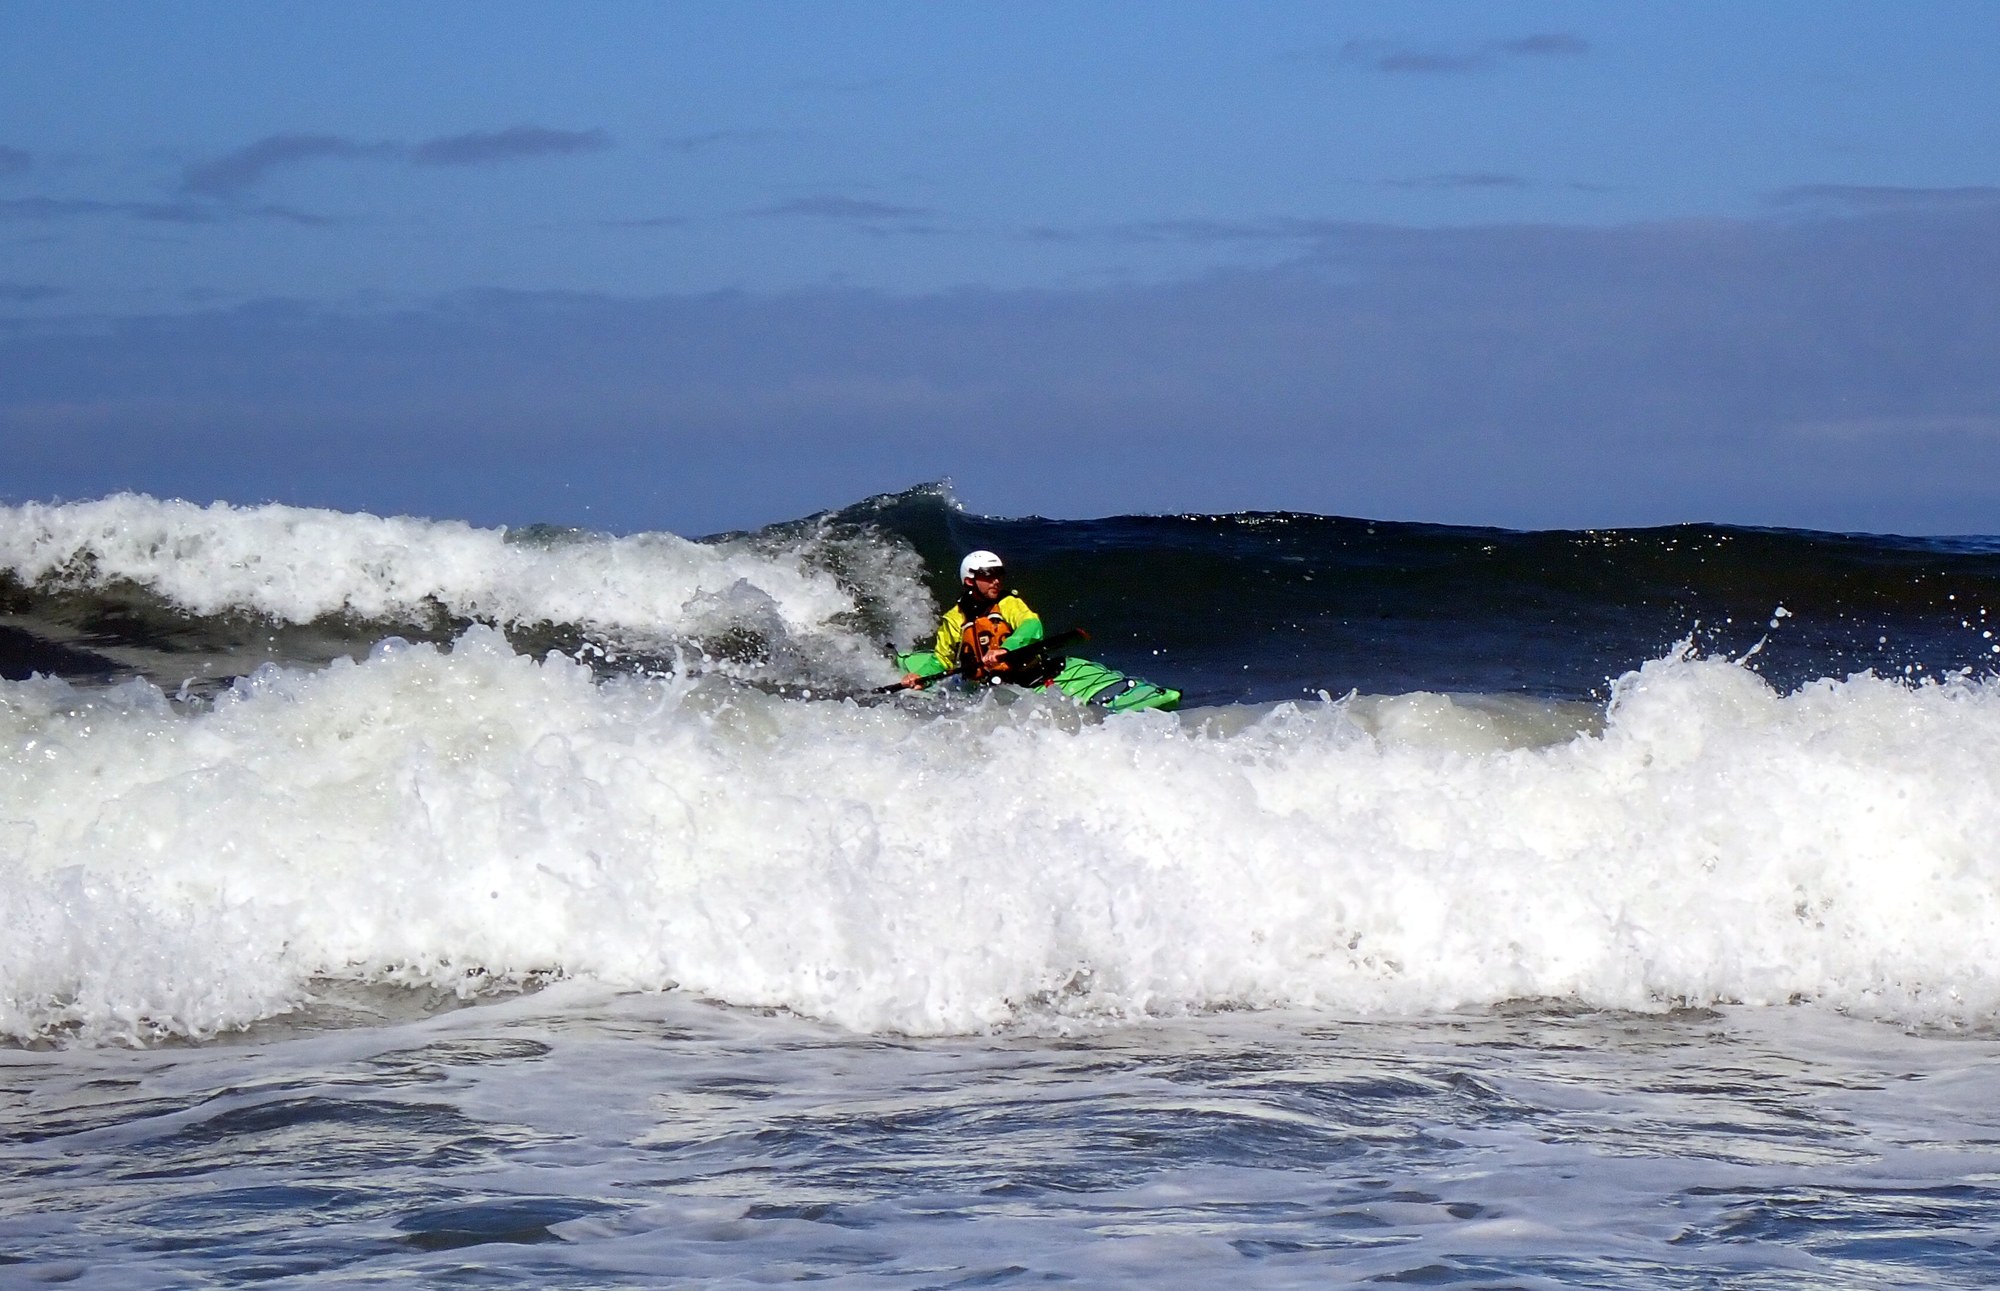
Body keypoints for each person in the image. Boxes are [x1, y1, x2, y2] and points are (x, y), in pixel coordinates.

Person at [898, 549, 1056, 689]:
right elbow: (942, 660)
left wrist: (1005, 648)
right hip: (985, 689)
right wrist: (922, 677)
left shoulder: (1009, 603)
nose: (996, 581)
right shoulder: (955, 617)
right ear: (969, 581)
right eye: (988, 575)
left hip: (1026, 680)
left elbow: (1032, 624)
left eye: (998, 575)